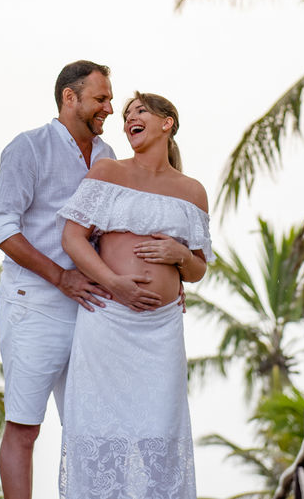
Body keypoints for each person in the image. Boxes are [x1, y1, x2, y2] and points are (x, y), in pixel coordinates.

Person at [0, 61, 155, 499]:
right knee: (24, 427)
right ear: (70, 97)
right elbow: (1, 227)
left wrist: (163, 281)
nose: (110, 108)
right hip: (34, 305)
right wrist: (61, 276)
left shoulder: (107, 158)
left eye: (110, 98)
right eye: (101, 98)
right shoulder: (28, 148)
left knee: (93, 430)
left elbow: (118, 233)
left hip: (93, 311)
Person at [58, 92, 211, 499]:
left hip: (161, 332)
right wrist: (113, 283)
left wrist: (180, 255)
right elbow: (72, 238)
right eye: (126, 116)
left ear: (167, 123)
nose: (129, 119)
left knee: (159, 433)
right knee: (102, 433)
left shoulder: (192, 191)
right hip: (108, 322)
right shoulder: (108, 171)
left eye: (140, 111)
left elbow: (197, 269)